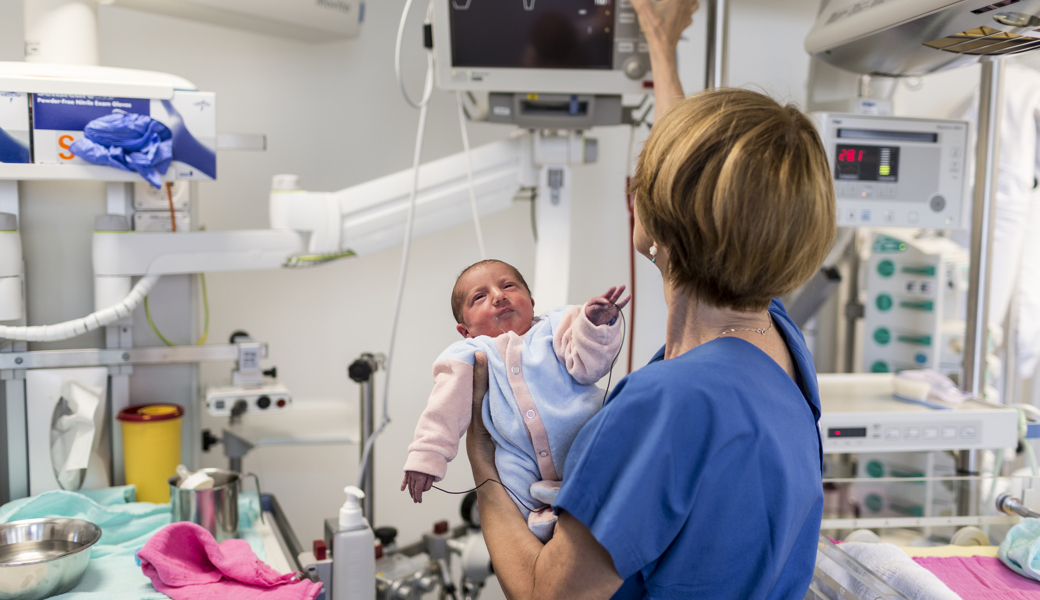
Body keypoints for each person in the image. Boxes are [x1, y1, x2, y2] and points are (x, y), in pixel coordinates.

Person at [463, 0, 836, 597]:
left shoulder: (665, 405)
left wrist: (482, 463)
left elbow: (543, 593)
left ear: (654, 221)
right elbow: (709, 186)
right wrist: (662, 48)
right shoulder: (777, 340)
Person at [401, 259, 629, 542]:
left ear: (531, 302)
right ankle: (545, 528)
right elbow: (443, 409)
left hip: (586, 432)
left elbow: (589, 367)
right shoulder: (467, 353)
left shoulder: (558, 325)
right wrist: (426, 457)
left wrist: (593, 326)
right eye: (480, 297)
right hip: (519, 454)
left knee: (613, 457)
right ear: (465, 330)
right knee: (511, 488)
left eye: (509, 285)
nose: (499, 296)